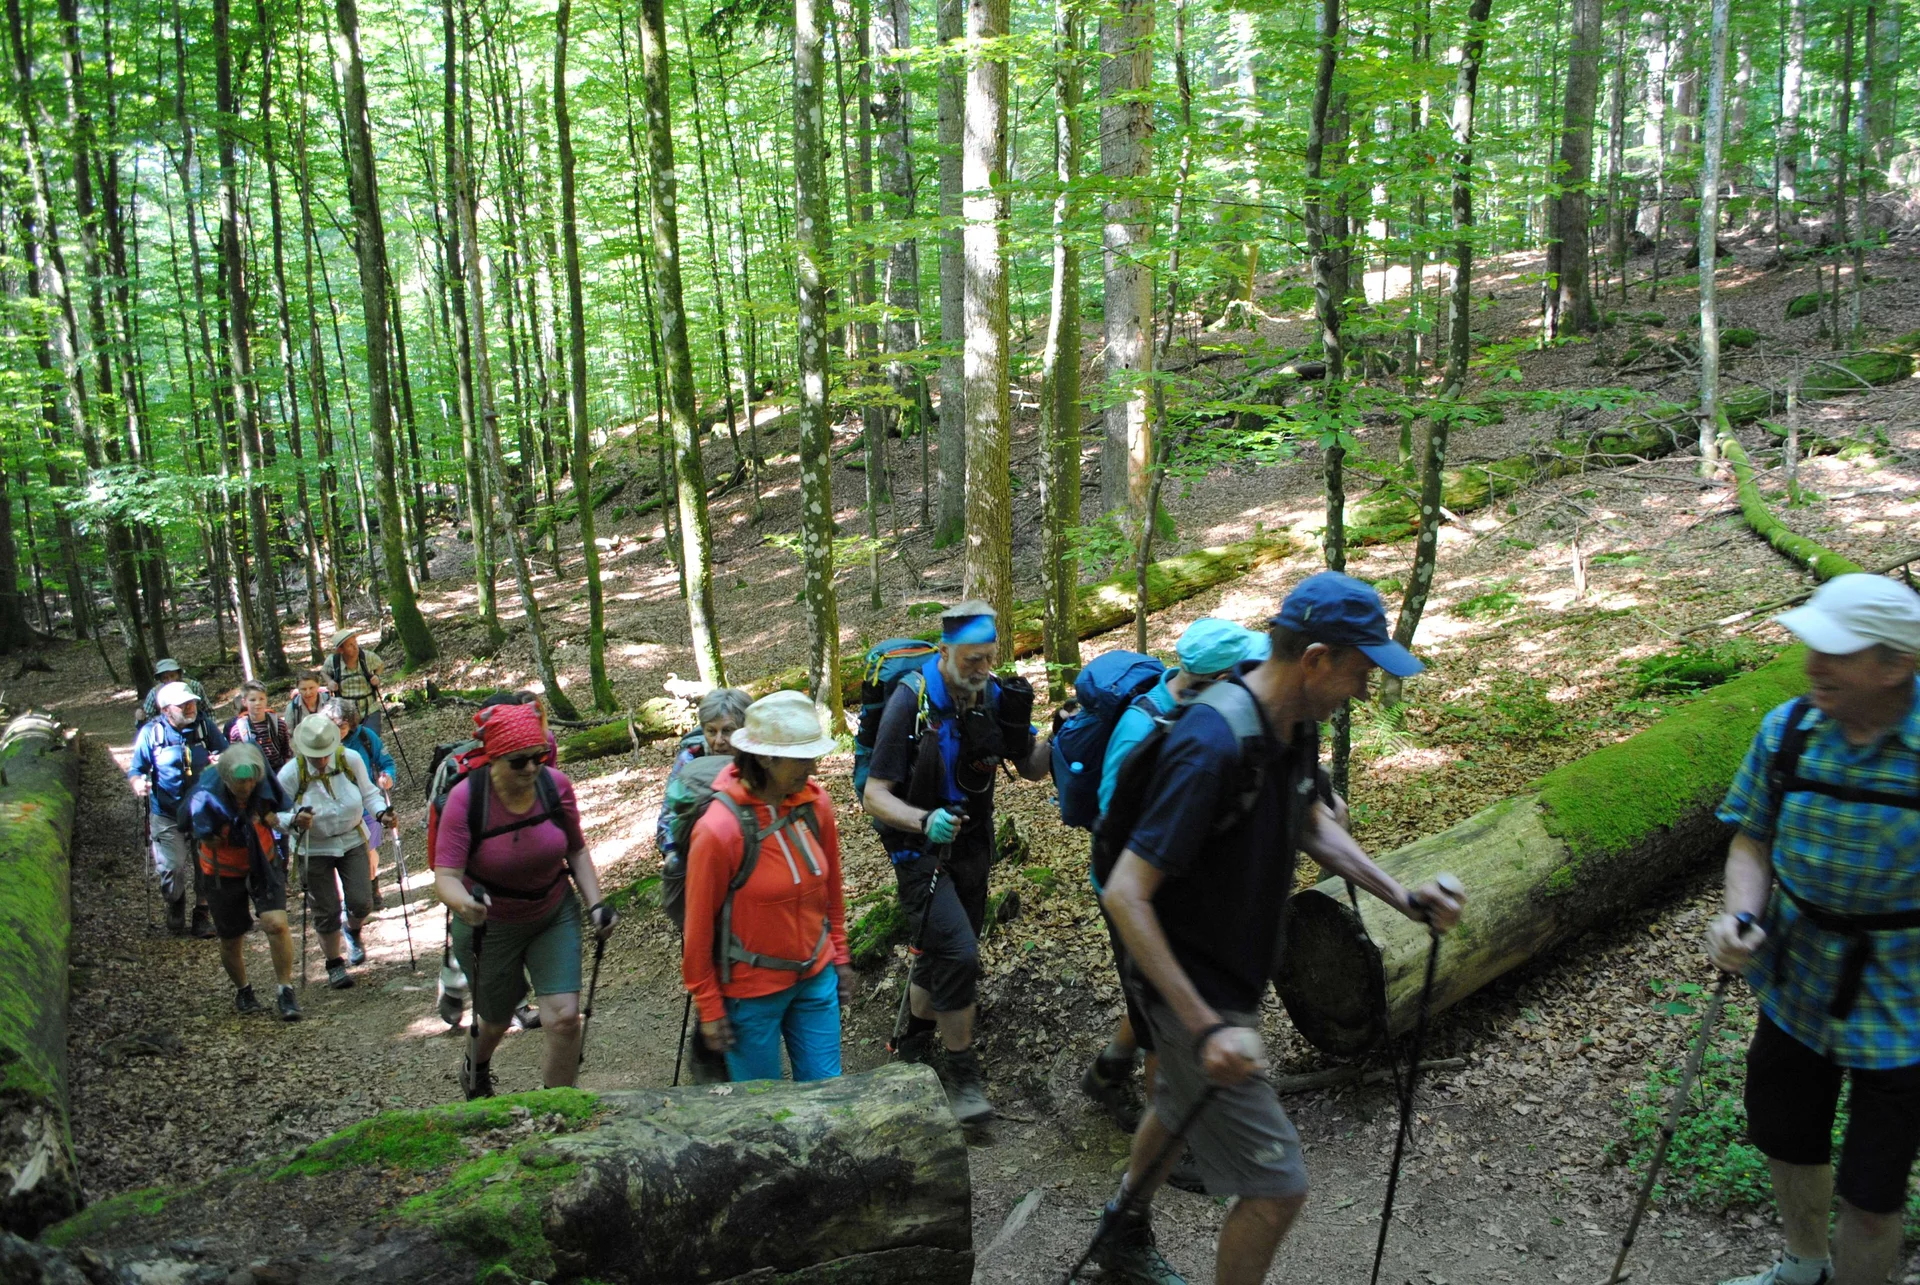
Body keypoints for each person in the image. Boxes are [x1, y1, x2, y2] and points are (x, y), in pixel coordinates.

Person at [1091, 571, 1465, 1285]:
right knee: (1277, 1185)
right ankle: (1125, 1236)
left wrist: (1400, 894)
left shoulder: (1290, 726)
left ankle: (1119, 1232)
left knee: (1173, 1105)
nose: (1363, 688)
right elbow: (1126, 893)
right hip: (1185, 983)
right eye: (1359, 671)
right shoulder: (1212, 742)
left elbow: (1312, 821)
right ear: (1316, 658)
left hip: (1222, 975)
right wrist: (1206, 1027)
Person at [1707, 573, 1920, 1285]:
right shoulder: (1790, 730)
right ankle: (1804, 1266)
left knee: (1873, 1189)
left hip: (1906, 1008)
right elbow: (1751, 839)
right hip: (1796, 985)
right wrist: (1740, 913)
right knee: (1787, 1137)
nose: (1812, 667)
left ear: (1894, 664)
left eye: (1834, 651)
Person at [861, 600, 1049, 1126]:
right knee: (961, 954)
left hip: (973, 845)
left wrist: (1060, 735)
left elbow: (1031, 767)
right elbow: (874, 795)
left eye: (989, 658)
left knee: (944, 951)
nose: (981, 671)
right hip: (918, 849)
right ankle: (963, 1078)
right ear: (945, 652)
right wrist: (923, 822)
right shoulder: (910, 701)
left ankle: (913, 1044)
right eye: (971, 660)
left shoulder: (996, 695)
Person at [1082, 619, 1273, 1137]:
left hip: (1170, 889)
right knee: (1161, 1016)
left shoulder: (1202, 711)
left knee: (1150, 994)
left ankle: (1106, 1070)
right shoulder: (1146, 726)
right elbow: (1113, 819)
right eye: (1242, 670)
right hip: (1132, 893)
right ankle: (1169, 1134)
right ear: (1215, 677)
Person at [431, 702, 617, 1098]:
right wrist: (466, 905)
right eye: (519, 762)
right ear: (495, 759)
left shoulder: (556, 786)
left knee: (565, 1018)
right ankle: (476, 1066)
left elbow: (577, 851)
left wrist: (596, 903)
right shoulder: (467, 800)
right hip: (489, 925)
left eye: (538, 757)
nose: (532, 769)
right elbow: (445, 877)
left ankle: (557, 1106)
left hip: (552, 912)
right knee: (495, 1021)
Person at [682, 691, 850, 1083]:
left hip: (816, 976)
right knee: (763, 1112)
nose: (813, 766)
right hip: (749, 993)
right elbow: (697, 930)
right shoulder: (719, 829)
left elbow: (832, 890)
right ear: (764, 757)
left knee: (827, 1094)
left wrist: (839, 955)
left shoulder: (815, 804)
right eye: (802, 757)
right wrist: (709, 1006)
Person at [189, 744, 302, 1021]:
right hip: (221, 870)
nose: (247, 786)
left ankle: (285, 990)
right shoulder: (206, 795)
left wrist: (293, 820)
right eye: (241, 783)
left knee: (276, 924)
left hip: (262, 862)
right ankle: (243, 990)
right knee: (231, 937)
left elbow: (277, 813)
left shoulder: (262, 789)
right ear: (227, 779)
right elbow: (202, 830)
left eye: (251, 781)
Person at [276, 713, 390, 988]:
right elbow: (274, 814)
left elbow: (370, 793)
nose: (323, 759)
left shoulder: (349, 759)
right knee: (326, 910)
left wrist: (381, 813)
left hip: (352, 839)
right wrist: (293, 820)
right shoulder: (291, 773)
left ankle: (352, 930)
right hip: (313, 848)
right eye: (317, 755)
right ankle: (334, 964)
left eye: (326, 752)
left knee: (362, 902)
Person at [128, 680, 226, 937]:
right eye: (183, 704)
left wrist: (220, 763)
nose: (191, 707)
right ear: (166, 710)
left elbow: (226, 753)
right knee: (172, 867)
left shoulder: (205, 727)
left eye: (192, 702)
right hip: (166, 813)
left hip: (203, 811)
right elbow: (136, 769)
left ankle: (201, 914)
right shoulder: (152, 733)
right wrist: (139, 783)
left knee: (207, 864)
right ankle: (175, 900)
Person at [656, 686, 752, 867]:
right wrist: (672, 855)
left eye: (727, 731)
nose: (718, 741)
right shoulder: (691, 757)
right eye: (711, 731)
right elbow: (667, 820)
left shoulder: (756, 755)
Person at [327, 700, 396, 902]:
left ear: (351, 723)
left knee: (368, 852)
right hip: (335, 809)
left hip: (366, 807)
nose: (337, 730)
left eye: (342, 725)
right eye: (332, 724)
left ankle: (371, 891)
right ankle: (353, 898)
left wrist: (387, 776)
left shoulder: (365, 737)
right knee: (343, 856)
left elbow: (386, 763)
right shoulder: (321, 743)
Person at [326, 628, 387, 736]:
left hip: (370, 709)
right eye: (350, 645)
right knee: (350, 743)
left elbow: (380, 665)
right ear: (341, 650)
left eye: (355, 643)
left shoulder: (367, 656)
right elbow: (324, 672)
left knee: (371, 740)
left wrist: (377, 676)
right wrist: (330, 682)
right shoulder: (333, 661)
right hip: (345, 713)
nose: (355, 647)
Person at [226, 680, 293, 776]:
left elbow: (286, 752)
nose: (258, 703)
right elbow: (236, 758)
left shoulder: (279, 725)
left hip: (279, 771)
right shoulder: (237, 731)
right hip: (253, 776)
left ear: (266, 699)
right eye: (252, 700)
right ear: (244, 702)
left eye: (261, 699)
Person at [136, 658, 210, 727]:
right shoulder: (155, 693)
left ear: (179, 675)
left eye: (172, 676)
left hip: (196, 727)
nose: (170, 680)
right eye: (165, 678)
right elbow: (147, 718)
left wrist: (209, 728)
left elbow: (208, 710)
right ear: (161, 680)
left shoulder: (194, 686)